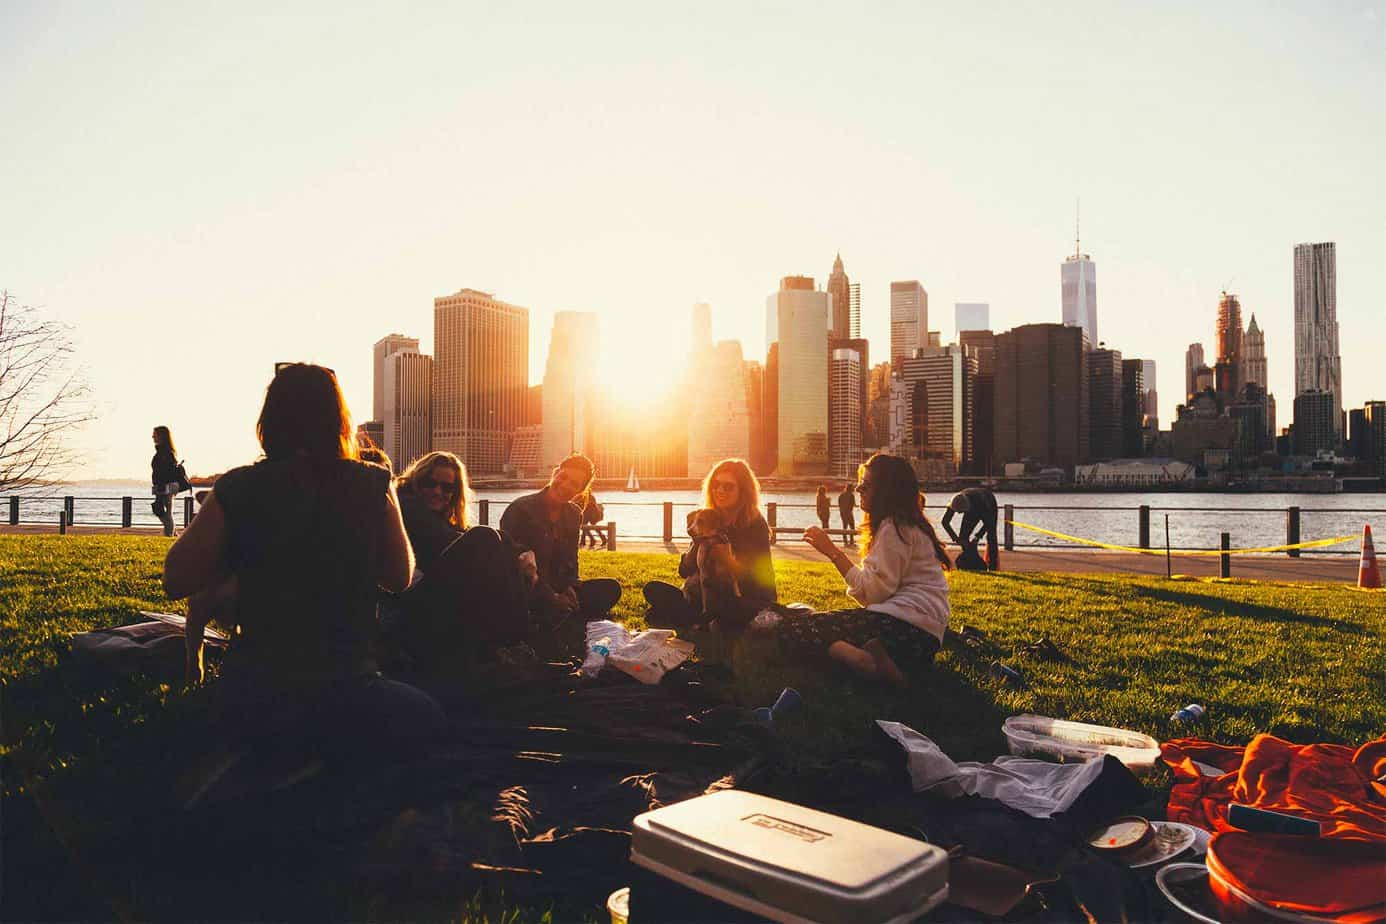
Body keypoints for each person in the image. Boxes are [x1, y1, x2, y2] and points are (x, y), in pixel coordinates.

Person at [164, 363, 444, 760]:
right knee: (428, 715)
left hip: (253, 696)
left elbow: (176, 579)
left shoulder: (237, 486)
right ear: (339, 420)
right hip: (347, 690)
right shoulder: (374, 482)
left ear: (269, 421)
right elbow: (399, 577)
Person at [783, 453, 952, 687]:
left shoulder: (894, 527)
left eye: (866, 485)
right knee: (821, 628)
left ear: (886, 491)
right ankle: (879, 660)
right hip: (924, 638)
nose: (859, 490)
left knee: (796, 629)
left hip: (902, 627)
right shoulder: (908, 525)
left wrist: (832, 552)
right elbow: (880, 592)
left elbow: (873, 594)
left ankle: (863, 661)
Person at [391, 450, 535, 672]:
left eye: (447, 488)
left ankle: (515, 636)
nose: (437, 492)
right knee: (485, 538)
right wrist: (509, 555)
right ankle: (514, 640)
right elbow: (447, 540)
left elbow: (466, 537)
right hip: (408, 608)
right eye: (430, 483)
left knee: (500, 541)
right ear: (417, 480)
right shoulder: (407, 506)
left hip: (433, 603)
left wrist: (525, 553)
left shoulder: (440, 518)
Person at [643, 458, 777, 631]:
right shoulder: (707, 518)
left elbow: (758, 580)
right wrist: (697, 546)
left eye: (728, 486)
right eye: (715, 484)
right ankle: (697, 618)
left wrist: (728, 561)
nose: (719, 490)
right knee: (653, 589)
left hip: (744, 597)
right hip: (706, 595)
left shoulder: (755, 524)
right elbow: (684, 571)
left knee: (727, 610)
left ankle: (692, 619)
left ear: (743, 491)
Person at [499, 453, 622, 634]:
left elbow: (571, 560)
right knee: (522, 599)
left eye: (574, 484)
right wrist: (552, 598)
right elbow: (515, 566)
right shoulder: (520, 509)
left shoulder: (574, 514)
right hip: (525, 587)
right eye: (563, 477)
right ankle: (551, 613)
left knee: (610, 588)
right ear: (555, 473)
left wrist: (570, 587)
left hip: (556, 585)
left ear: (581, 490)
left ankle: (558, 612)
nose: (565, 485)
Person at [942, 486, 1000, 571]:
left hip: (989, 502)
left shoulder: (981, 504)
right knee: (963, 537)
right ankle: (969, 561)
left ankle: (992, 567)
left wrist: (977, 537)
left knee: (991, 536)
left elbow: (988, 523)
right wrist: (956, 538)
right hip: (971, 502)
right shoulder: (955, 501)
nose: (958, 513)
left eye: (961, 512)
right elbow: (945, 522)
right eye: (957, 511)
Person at [151, 426, 183, 537]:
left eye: (154, 434)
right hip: (165, 485)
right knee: (163, 510)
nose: (152, 437)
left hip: (165, 486)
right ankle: (172, 533)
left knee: (163, 511)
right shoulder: (166, 451)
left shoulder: (164, 452)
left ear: (161, 436)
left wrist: (160, 486)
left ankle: (169, 534)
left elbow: (164, 471)